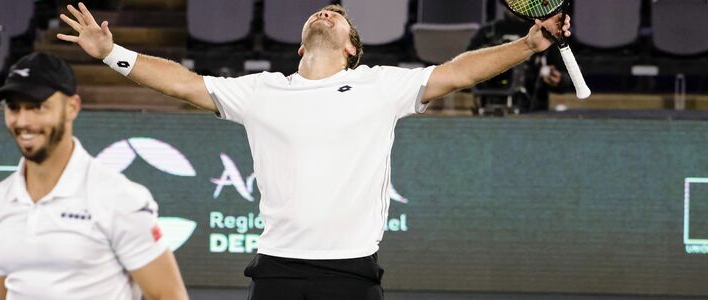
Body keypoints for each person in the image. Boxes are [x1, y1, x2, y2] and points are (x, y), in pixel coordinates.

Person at [58, 3, 572, 299]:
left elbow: (459, 71)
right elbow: (185, 84)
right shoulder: (261, 91)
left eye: (341, 16)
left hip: (351, 274)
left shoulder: (379, 86)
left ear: (351, 48)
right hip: (277, 272)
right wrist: (112, 54)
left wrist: (528, 46)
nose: (329, 12)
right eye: (323, 12)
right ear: (301, 45)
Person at [0, 52, 189, 300]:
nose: (23, 121)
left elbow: (169, 296)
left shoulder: (120, 198)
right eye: (14, 108)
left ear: (72, 107)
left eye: (38, 107)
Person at [467, 11, 573, 113]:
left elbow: (566, 81)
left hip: (532, 112)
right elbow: (464, 74)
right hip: (488, 110)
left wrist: (559, 79)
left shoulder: (544, 31)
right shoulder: (488, 32)